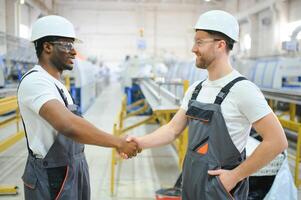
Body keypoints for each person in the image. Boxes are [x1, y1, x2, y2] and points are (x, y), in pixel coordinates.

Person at [126, 10, 288, 199]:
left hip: (220, 188)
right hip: (192, 180)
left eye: (199, 42)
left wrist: (235, 176)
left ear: (220, 45)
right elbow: (172, 129)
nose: (193, 48)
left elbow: (277, 141)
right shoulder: (196, 88)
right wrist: (140, 142)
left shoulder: (243, 90)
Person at [18, 15, 139, 200]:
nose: (74, 52)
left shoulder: (55, 83)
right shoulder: (35, 81)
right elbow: (68, 125)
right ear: (47, 47)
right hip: (52, 176)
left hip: (71, 168)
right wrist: (118, 142)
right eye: (67, 45)